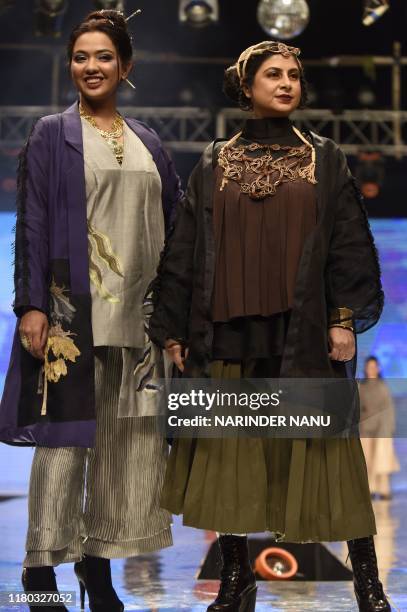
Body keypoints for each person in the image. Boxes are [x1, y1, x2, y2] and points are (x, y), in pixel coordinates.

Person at [148, 41, 390, 612]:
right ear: (246, 84)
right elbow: (185, 249)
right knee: (231, 460)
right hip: (228, 335)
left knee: (332, 460)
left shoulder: (324, 157)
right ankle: (237, 578)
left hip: (301, 332)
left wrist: (342, 318)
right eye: (273, 74)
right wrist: (176, 330)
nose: (286, 83)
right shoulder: (213, 160)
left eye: (294, 76)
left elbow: (349, 244)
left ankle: (369, 585)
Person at [0, 10, 182, 612]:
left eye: (104, 56)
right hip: (71, 320)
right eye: (81, 57)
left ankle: (96, 566)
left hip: (141, 321)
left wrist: (178, 317)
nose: (91, 67)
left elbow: (177, 231)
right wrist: (31, 305)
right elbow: (33, 222)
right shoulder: (53, 133)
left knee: (127, 451)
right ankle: (40, 571)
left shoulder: (150, 141)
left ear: (125, 66)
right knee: (63, 448)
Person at [360, 356, 400, 500]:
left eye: (374, 366)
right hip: (365, 428)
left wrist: (387, 429)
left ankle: (384, 490)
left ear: (378, 368)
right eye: (369, 367)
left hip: (382, 427)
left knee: (381, 459)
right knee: (367, 459)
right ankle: (370, 489)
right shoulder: (361, 386)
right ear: (365, 368)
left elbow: (388, 409)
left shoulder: (383, 386)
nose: (371, 369)